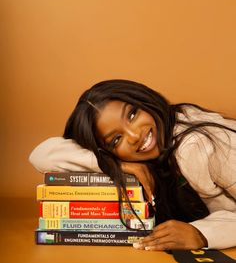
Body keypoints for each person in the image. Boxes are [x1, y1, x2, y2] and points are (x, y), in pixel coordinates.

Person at [29, 79, 236, 251]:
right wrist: (111, 164)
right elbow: (41, 155)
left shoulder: (198, 146)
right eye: (116, 140)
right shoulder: (155, 151)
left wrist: (203, 235)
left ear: (144, 100)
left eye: (132, 114)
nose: (135, 135)